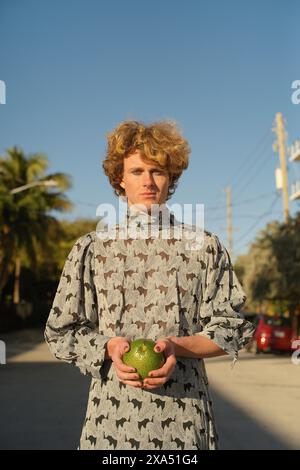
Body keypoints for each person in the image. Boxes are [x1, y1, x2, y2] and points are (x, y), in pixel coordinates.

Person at [44, 120, 255, 450]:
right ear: (120, 178)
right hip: (110, 424)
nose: (148, 181)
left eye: (158, 171)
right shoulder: (91, 249)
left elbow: (233, 329)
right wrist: (107, 347)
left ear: (171, 178)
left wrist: (175, 346)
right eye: (137, 171)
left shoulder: (204, 246)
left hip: (186, 423)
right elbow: (60, 331)